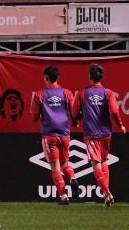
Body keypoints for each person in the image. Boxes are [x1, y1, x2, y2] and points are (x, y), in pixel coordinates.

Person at [72, 63, 126, 207]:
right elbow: (114, 111)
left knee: (96, 165)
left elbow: (74, 113)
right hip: (106, 134)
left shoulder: (83, 93)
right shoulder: (108, 93)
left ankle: (107, 193)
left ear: (90, 76)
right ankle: (105, 196)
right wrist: (120, 125)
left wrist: (77, 119)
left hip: (91, 134)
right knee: (103, 162)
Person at [31, 66, 79, 205]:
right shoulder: (67, 93)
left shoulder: (40, 94)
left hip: (49, 134)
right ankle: (72, 178)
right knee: (65, 164)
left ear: (46, 77)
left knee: (55, 168)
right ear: (57, 77)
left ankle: (64, 197)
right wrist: (75, 122)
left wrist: (41, 113)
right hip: (64, 133)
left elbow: (34, 117)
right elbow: (74, 112)